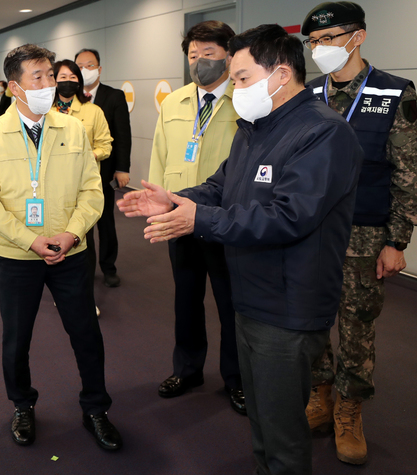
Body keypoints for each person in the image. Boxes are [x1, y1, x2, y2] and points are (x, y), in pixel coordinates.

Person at [118, 24, 363, 475]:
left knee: (282, 433)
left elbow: (289, 216)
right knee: (263, 425)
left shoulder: (323, 134)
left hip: (288, 307)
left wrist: (198, 219)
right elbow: (220, 185)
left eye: (243, 78)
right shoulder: (255, 127)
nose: (235, 87)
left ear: (282, 73)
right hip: (252, 297)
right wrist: (176, 200)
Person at [0, 43, 122, 452]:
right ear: (14, 88)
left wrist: (72, 234)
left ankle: (96, 408)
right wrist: (31, 240)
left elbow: (93, 192)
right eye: (37, 77)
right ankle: (22, 404)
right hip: (18, 256)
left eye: (50, 75)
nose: (49, 84)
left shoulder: (73, 128)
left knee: (86, 334)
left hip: (70, 253)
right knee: (16, 338)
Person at [300, 2, 417, 465]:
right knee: (311, 316)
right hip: (309, 230)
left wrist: (398, 241)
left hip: (366, 231)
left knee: (356, 324)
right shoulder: (305, 93)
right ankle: (321, 392)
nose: (320, 48)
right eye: (313, 41)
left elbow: (410, 172)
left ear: (359, 36)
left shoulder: (394, 92)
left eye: (330, 38)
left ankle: (350, 409)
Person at [144, 21, 244, 415]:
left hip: (224, 219)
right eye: (192, 55)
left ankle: (236, 378)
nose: (199, 62)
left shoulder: (244, 100)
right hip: (177, 215)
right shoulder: (175, 102)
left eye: (208, 54)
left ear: (229, 55)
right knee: (186, 299)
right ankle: (187, 369)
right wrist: (158, 203)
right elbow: (160, 155)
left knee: (229, 303)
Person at [52, 59, 112, 313]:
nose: (69, 81)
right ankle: (61, 291)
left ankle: (85, 298)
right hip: (51, 188)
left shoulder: (92, 111)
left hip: (82, 187)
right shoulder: (45, 112)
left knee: (83, 242)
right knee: (54, 238)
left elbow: (105, 145)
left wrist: (87, 156)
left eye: (73, 77)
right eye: (62, 76)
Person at [75, 48, 132, 288]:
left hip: (104, 172)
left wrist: (122, 168)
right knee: (81, 225)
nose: (84, 70)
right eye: (79, 66)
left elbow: (122, 135)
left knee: (106, 222)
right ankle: (84, 269)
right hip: (76, 177)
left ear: (99, 69)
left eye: (90, 65)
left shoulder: (114, 96)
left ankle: (109, 267)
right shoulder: (69, 99)